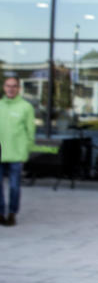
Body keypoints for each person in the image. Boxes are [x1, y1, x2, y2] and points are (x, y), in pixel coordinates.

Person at [0, 76, 36, 226]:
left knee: (14, 186)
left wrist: (25, 151)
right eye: (8, 86)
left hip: (16, 154)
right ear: (4, 88)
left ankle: (12, 213)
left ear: (18, 89)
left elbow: (30, 132)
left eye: (14, 86)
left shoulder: (25, 107)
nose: (11, 89)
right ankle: (1, 213)